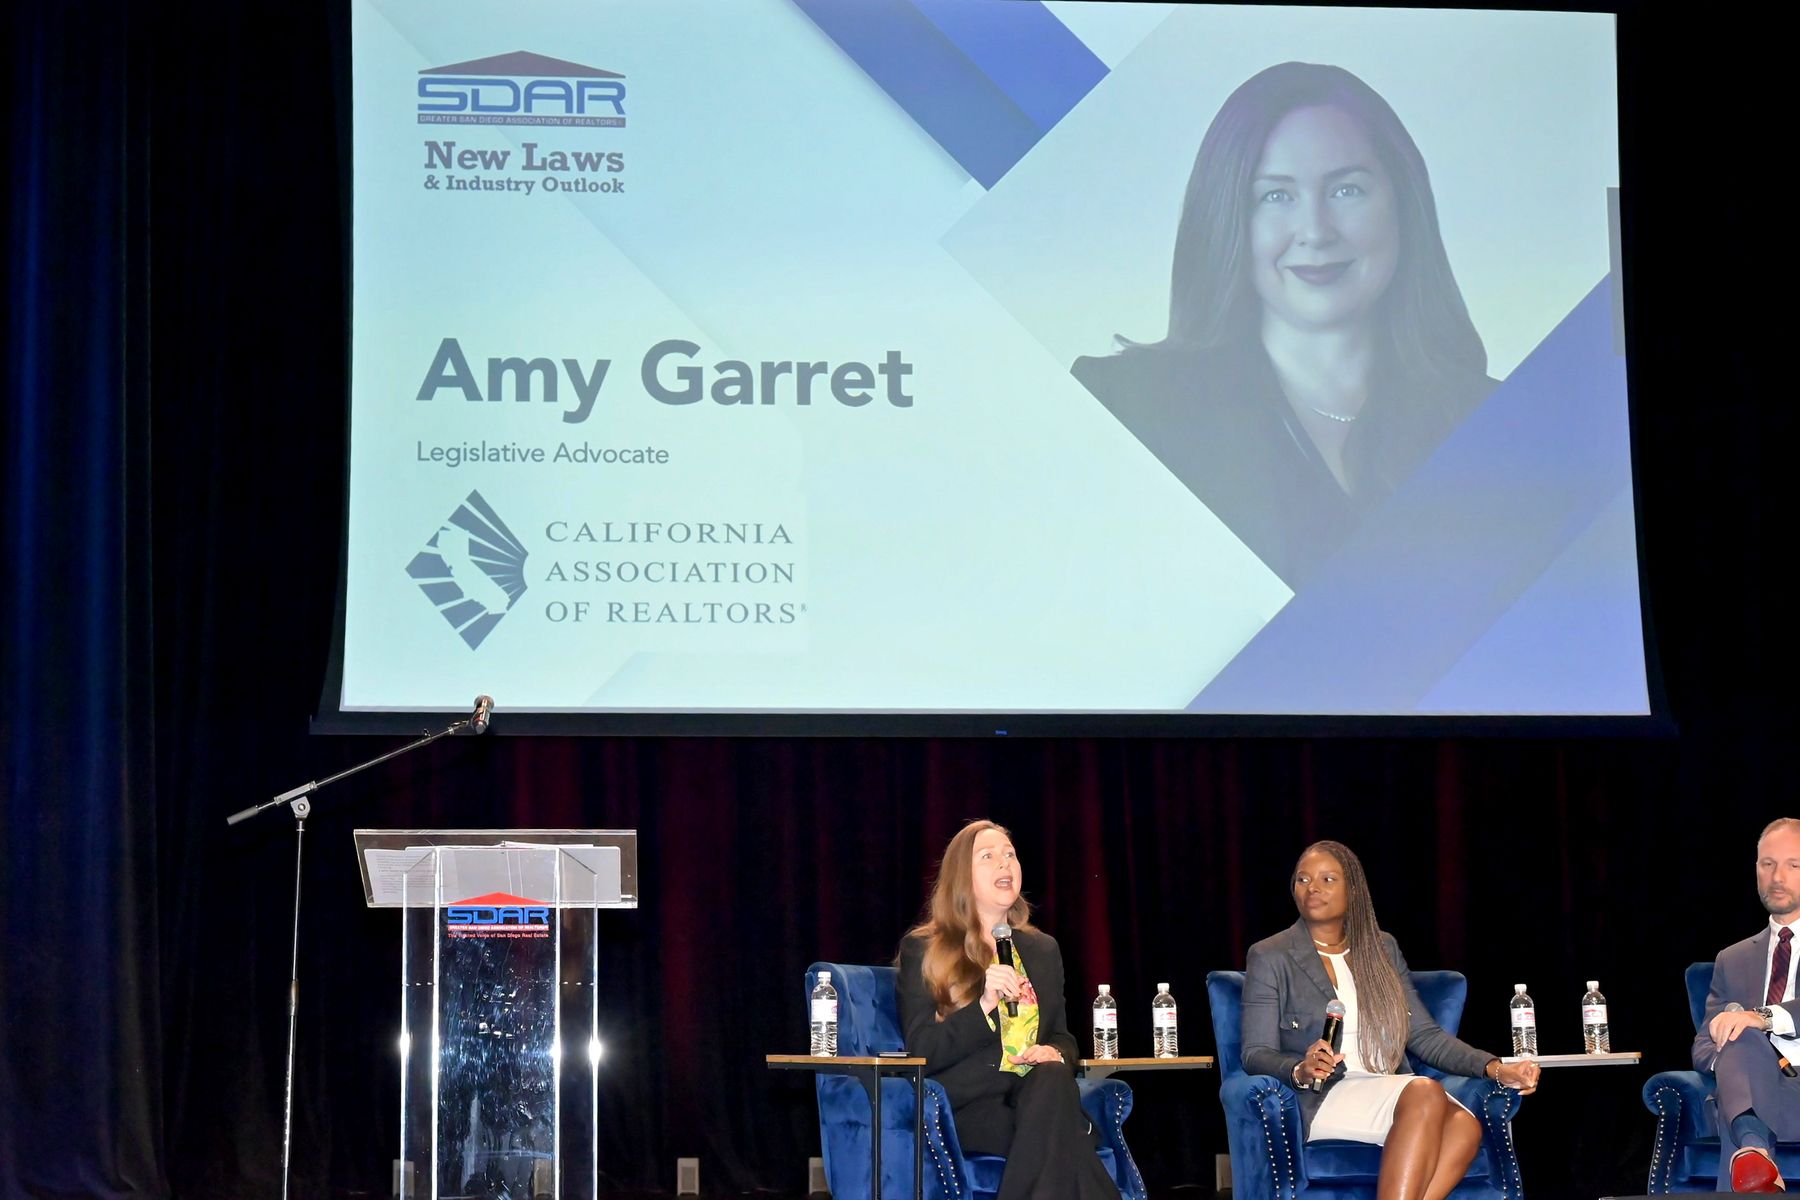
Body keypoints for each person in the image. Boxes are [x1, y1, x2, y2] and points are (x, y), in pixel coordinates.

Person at [1072, 63, 1497, 587]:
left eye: (1347, 190)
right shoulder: (1124, 409)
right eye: (1276, 196)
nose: (1315, 231)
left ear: (1403, 205)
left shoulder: (1499, 423)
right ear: (1228, 218)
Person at [1241, 840, 1538, 1200]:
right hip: (1324, 1096)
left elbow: (1425, 1036)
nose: (1312, 888)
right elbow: (1254, 1053)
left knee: (1464, 1127)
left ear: (1353, 890)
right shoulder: (1270, 955)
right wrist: (1300, 1070)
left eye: (1327, 879)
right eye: (1303, 880)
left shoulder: (1382, 949)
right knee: (1425, 1091)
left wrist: (1495, 1068)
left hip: (1387, 1086)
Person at [895, 820, 1119, 1199]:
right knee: (1064, 1132)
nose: (1005, 863)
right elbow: (921, 1050)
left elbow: (1062, 1037)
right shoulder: (926, 948)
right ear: (961, 877)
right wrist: (984, 1005)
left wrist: (1054, 1053)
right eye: (988, 856)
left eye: (1010, 855)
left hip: (1038, 1094)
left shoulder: (1042, 949)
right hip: (969, 1107)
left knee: (1051, 1077)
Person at [1692, 817, 1800, 1192]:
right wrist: (1734, 1050)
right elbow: (1702, 1047)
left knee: (1745, 1034)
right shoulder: (1732, 959)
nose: (1777, 877)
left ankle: (1753, 1154)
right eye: (1768, 864)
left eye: (1793, 865)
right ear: (1756, 869)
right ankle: (1754, 1153)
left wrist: (1763, 1018)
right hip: (1752, 1091)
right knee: (1739, 1039)